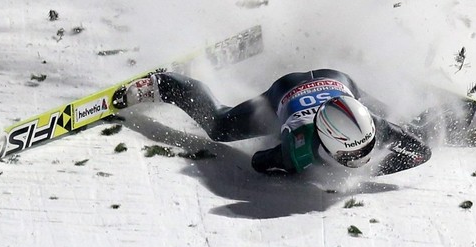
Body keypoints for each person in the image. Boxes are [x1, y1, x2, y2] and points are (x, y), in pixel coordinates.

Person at [112, 69, 432, 176]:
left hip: (339, 82)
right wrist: (290, 167)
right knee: (221, 126)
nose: (361, 161)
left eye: (367, 148)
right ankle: (164, 84)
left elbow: (421, 152)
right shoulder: (300, 147)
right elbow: (260, 162)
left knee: (409, 126)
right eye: (351, 156)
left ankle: (458, 111)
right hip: (284, 90)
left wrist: (373, 168)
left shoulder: (374, 124)